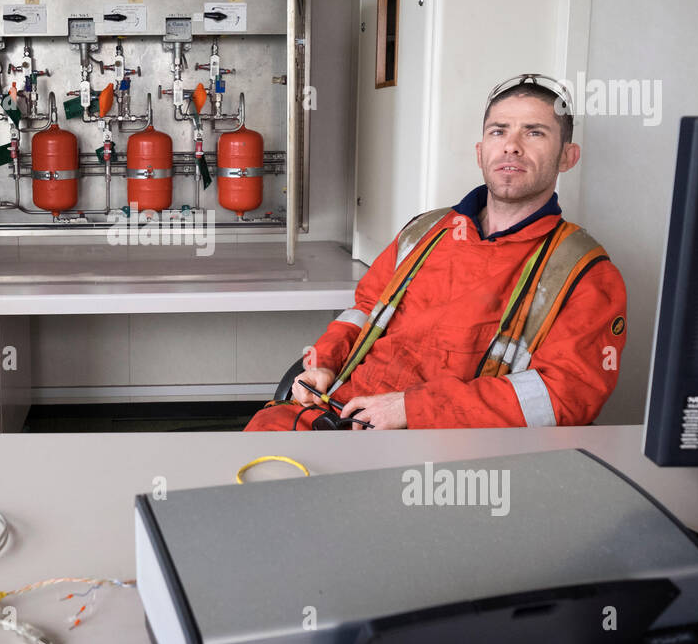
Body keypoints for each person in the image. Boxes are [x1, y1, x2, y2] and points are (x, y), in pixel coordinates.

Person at [245, 74, 627, 431]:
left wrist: (411, 410)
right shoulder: (425, 231)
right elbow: (364, 308)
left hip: (448, 455)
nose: (512, 144)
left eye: (535, 132)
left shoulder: (583, 272)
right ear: (481, 152)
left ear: (567, 157)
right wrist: (324, 363)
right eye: (499, 131)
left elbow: (564, 397)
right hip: (334, 412)